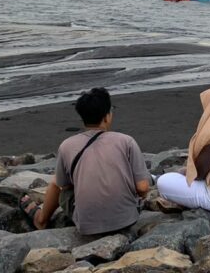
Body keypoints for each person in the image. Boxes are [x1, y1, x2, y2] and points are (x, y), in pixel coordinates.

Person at [22, 88, 151, 235]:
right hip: (127, 220)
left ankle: (41, 220)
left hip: (87, 226)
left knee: (58, 185)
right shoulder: (126, 141)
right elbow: (142, 187)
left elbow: (62, 186)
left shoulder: (67, 145)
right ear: (107, 116)